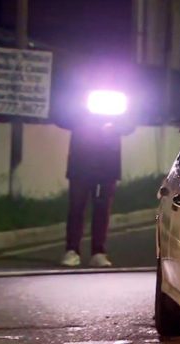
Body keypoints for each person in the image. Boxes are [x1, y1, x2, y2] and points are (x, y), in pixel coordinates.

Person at [57, 60, 137, 268]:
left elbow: (129, 124)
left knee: (102, 208)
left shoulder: (119, 98)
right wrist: (81, 113)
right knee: (76, 207)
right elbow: (61, 117)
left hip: (107, 163)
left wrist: (115, 125)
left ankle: (98, 251)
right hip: (81, 161)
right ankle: (72, 250)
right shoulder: (78, 96)